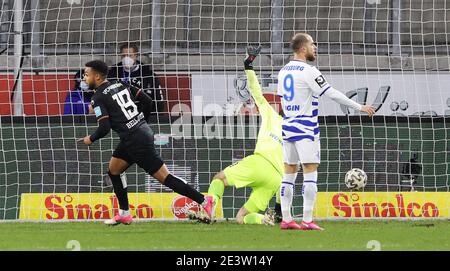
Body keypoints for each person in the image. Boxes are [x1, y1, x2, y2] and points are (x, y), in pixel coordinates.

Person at [78, 60, 213, 226]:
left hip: (135, 140)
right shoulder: (121, 84)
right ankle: (124, 213)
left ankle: (205, 201)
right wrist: (141, 122)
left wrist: (90, 139)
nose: (84, 78)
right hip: (136, 136)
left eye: (86, 74)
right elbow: (148, 100)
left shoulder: (98, 97)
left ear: (97, 76)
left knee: (165, 178)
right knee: (114, 170)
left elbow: (104, 128)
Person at [277, 33, 376, 230]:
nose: (315, 47)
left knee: (289, 172)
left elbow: (282, 100)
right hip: (306, 127)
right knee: (310, 171)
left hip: (288, 126)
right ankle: (307, 219)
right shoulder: (309, 70)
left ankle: (286, 218)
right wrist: (359, 106)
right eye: (313, 44)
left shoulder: (283, 71)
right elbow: (331, 92)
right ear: (303, 48)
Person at [193, 46, 283, 226]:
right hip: (276, 180)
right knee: (241, 217)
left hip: (261, 162)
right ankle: (264, 219)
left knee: (219, 179)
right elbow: (292, 171)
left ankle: (208, 209)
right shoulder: (298, 132)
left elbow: (256, 91)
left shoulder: (272, 114)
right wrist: (279, 207)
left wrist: (248, 65)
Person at [108, 43, 165, 114]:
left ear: (136, 56)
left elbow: (158, 100)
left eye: (130, 55)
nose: (126, 58)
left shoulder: (147, 74)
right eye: (123, 56)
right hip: (119, 115)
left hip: (142, 115)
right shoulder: (112, 73)